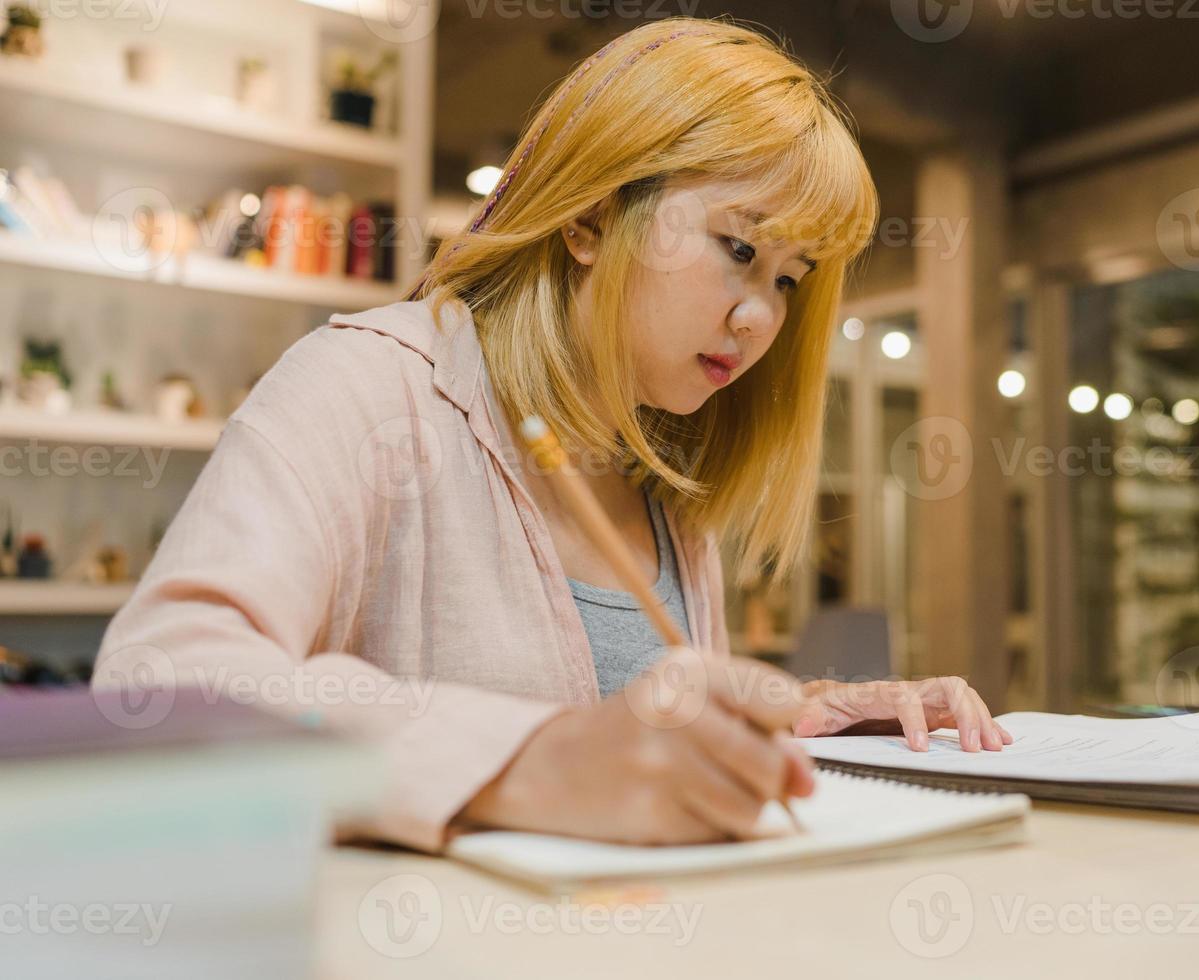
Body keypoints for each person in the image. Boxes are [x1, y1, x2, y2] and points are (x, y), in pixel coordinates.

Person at [92, 17, 1009, 853]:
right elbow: (164, 687)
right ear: (590, 217)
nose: (761, 319)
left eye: (790, 279)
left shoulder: (663, 478)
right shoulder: (371, 386)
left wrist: (802, 717)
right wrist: (527, 762)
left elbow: (631, 726)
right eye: (740, 248)